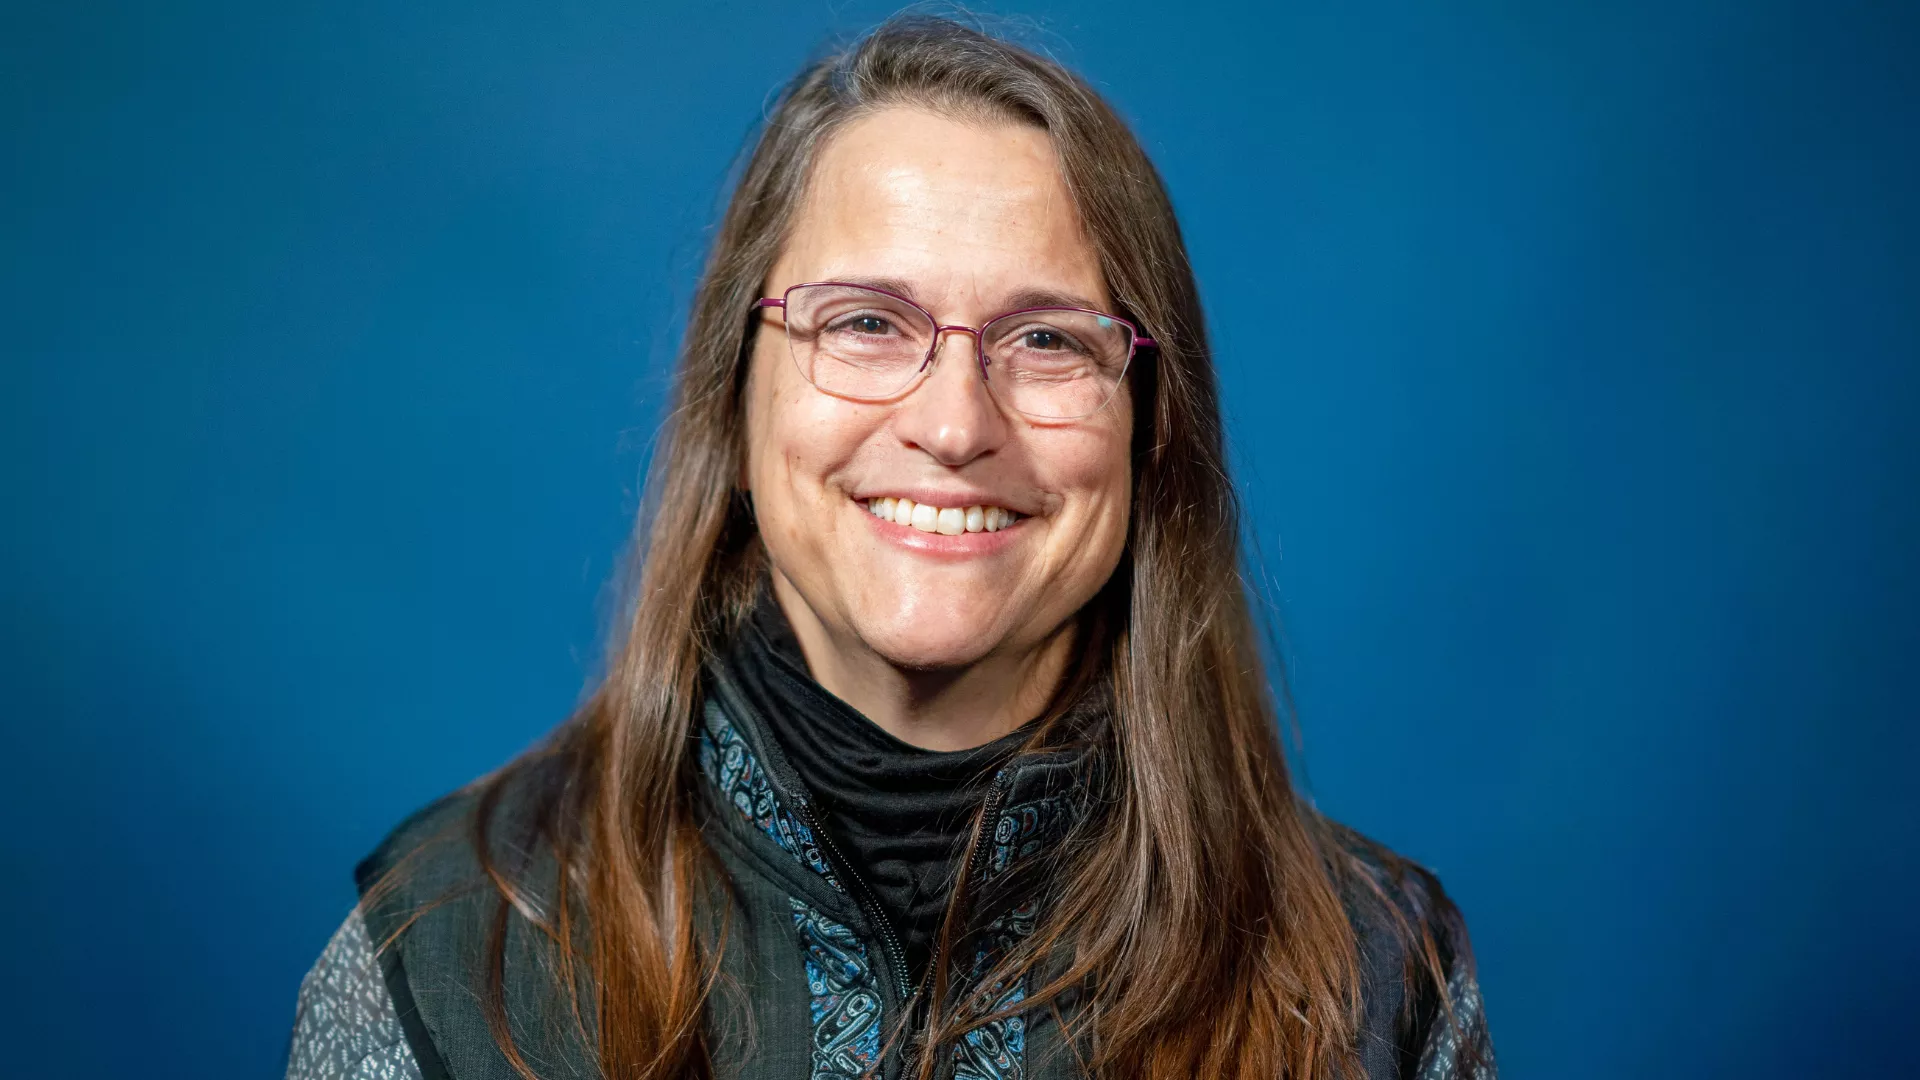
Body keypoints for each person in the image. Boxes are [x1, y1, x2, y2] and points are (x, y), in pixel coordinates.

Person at [286, 16, 1494, 1080]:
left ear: (1150, 428)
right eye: (866, 323)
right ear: (736, 396)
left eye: (1048, 342)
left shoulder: (1376, 980)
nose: (955, 423)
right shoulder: (449, 946)